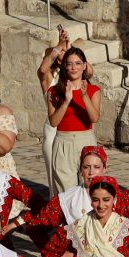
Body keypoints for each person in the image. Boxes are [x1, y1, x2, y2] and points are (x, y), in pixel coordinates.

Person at [40, 39, 102, 195]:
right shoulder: (54, 91)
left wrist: (84, 96)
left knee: (89, 191)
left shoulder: (94, 90)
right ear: (65, 67)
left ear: (84, 66)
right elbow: (53, 122)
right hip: (63, 142)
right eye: (69, 64)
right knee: (66, 193)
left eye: (78, 63)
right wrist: (67, 101)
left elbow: (94, 118)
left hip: (86, 140)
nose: (74, 67)